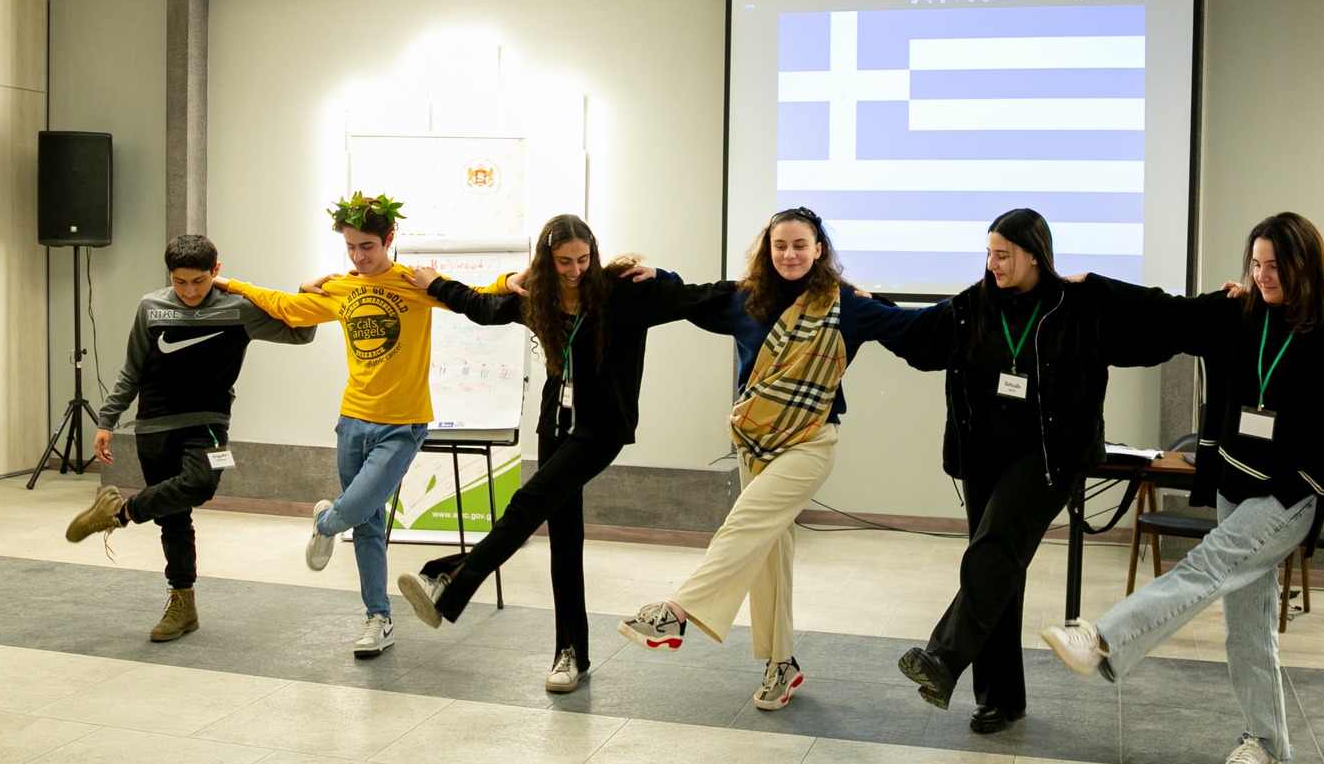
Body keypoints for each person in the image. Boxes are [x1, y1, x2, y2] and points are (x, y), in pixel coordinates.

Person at [1041, 212, 1324, 764]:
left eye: (1276, 266)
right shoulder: (1237, 313)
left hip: (1290, 493)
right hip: (1235, 483)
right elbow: (1166, 311)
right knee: (1246, 624)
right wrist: (1095, 285)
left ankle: (1102, 638)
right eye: (1257, 265)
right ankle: (1266, 741)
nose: (1264, 276)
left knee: (1207, 566)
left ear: (1306, 265)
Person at [884, 208, 1203, 733]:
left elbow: (1157, 321)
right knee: (997, 563)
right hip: (984, 455)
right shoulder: (972, 306)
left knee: (996, 547)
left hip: (1049, 455)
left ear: (1035, 254)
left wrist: (1224, 305)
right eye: (989, 254)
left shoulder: (1077, 306)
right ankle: (1001, 698)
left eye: (1003, 255)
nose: (992, 264)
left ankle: (943, 658)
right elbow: (916, 338)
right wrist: (864, 308)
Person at [393, 214, 733, 694]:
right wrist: (435, 283)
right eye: (564, 262)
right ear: (546, 262)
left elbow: (706, 295)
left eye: (583, 259)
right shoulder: (539, 299)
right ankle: (571, 654)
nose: (575, 271)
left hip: (602, 430)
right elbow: (482, 307)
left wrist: (667, 275)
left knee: (526, 503)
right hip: (555, 426)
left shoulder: (623, 293)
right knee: (564, 543)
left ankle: (449, 577)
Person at [615, 207, 926, 711]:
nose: (789, 254)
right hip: (755, 443)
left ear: (818, 250)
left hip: (810, 442)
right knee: (768, 556)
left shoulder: (844, 305)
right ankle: (782, 664)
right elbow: (691, 296)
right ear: (768, 249)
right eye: (780, 245)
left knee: (744, 524)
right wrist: (658, 277)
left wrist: (899, 301)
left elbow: (912, 326)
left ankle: (676, 611)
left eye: (800, 245)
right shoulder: (746, 299)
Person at [214, 192, 493, 659]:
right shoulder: (342, 288)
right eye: (351, 247)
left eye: (367, 246)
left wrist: (512, 280)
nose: (359, 257)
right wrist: (230, 283)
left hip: (402, 424)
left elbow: (479, 296)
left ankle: (326, 520)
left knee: (356, 507)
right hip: (352, 420)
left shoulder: (414, 283)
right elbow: (284, 306)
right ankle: (378, 618)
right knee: (367, 523)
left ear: (389, 238)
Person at [65, 234, 316, 641]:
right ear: (169, 275)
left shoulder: (238, 308)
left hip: (208, 422)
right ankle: (183, 605)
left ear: (216, 271)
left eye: (199, 281)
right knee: (173, 517)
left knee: (200, 484)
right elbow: (132, 370)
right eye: (179, 282)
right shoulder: (151, 307)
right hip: (153, 425)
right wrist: (106, 421)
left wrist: (306, 295)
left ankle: (120, 512)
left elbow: (301, 333)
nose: (190, 291)